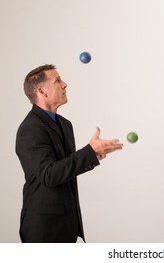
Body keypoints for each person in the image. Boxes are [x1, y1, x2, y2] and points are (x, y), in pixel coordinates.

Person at [15, 64, 123, 243]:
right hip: (44, 228)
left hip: (66, 224)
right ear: (42, 91)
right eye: (57, 81)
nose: (65, 84)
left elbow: (64, 169)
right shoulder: (30, 129)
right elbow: (49, 175)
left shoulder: (65, 124)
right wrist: (89, 152)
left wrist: (93, 155)